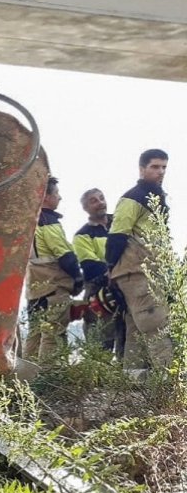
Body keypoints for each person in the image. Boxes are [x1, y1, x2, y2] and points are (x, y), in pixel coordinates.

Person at [107, 149, 173, 369]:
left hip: (145, 272)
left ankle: (134, 382)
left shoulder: (155, 197)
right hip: (136, 272)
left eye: (164, 167)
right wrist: (110, 267)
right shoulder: (133, 198)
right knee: (156, 326)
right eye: (155, 167)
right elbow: (117, 236)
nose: (160, 171)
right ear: (142, 168)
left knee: (136, 329)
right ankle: (170, 383)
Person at [25, 177, 84, 362]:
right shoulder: (48, 222)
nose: (60, 197)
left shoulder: (29, 223)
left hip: (34, 291)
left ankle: (26, 375)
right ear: (45, 196)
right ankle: (49, 375)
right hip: (53, 288)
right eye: (56, 193)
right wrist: (78, 278)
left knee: (34, 337)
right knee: (53, 336)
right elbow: (64, 254)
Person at [73, 188, 123, 356]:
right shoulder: (82, 235)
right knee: (100, 347)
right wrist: (117, 270)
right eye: (94, 201)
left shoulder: (121, 224)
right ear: (85, 208)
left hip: (125, 289)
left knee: (128, 342)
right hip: (99, 293)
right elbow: (90, 266)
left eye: (101, 198)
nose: (100, 202)